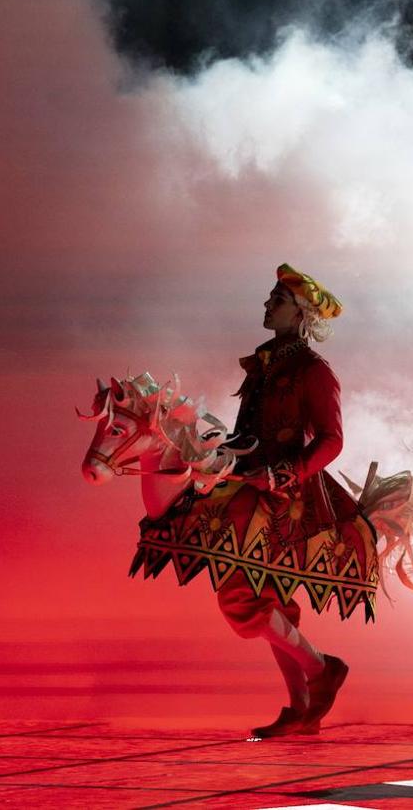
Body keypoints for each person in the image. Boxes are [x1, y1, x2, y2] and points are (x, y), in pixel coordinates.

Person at [133, 263, 378, 738]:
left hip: (287, 498)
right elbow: (250, 433)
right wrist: (217, 450)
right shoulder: (265, 363)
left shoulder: (315, 371)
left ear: (302, 313)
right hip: (246, 483)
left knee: (241, 598)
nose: (267, 305)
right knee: (272, 603)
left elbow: (331, 441)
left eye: (277, 300)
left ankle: (322, 668)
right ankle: (302, 708)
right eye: (270, 298)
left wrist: (283, 474)